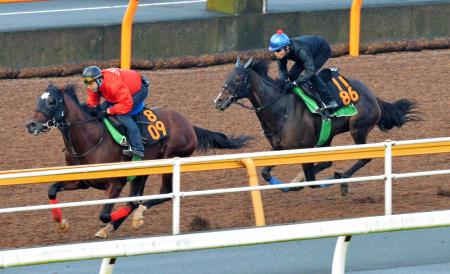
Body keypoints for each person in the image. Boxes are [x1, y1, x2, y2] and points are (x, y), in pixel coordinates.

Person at [82, 66, 150, 159]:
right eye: (87, 84)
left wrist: (109, 111)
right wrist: (93, 110)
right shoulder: (95, 84)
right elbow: (92, 101)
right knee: (100, 110)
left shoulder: (113, 84)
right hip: (116, 94)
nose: (89, 87)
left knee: (122, 115)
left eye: (91, 84)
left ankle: (138, 148)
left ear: (99, 80)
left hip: (138, 91)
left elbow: (126, 104)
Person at [268, 29, 338, 110]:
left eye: (277, 50)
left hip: (321, 50)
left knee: (311, 75)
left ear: (286, 47)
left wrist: (294, 83)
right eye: (274, 50)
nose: (276, 53)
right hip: (307, 53)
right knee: (292, 75)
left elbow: (310, 71)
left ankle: (329, 100)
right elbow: (282, 68)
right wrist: (284, 83)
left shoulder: (300, 50)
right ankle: (302, 92)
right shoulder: (283, 51)